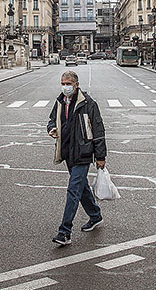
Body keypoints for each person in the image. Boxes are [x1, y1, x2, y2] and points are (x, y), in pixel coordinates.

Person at [47, 70, 106, 246]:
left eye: (68, 83)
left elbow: (98, 130)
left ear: (76, 85)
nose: (65, 86)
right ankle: (95, 216)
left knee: (73, 190)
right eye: (63, 83)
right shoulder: (60, 102)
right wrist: (52, 129)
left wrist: (100, 156)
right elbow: (52, 120)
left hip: (83, 152)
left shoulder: (88, 103)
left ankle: (64, 231)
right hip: (67, 151)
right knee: (82, 187)